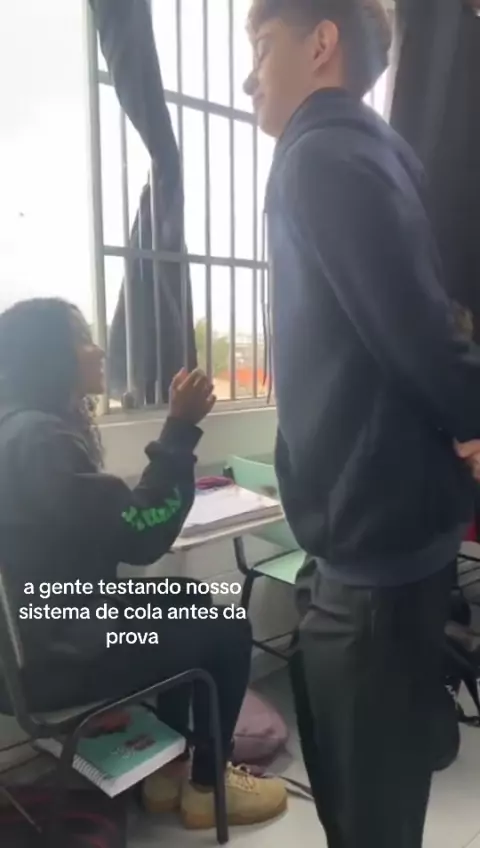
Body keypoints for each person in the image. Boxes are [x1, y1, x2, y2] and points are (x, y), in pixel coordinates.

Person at [244, 1, 480, 846]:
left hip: (374, 553)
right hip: (374, 539)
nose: (248, 76)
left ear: (321, 44)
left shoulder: (327, 154)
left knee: (368, 815)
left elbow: (418, 331)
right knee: (365, 799)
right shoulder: (363, 153)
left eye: (261, 46)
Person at [0, 298, 286, 830]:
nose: (98, 350)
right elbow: (141, 535)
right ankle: (208, 787)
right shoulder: (38, 442)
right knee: (226, 627)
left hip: (46, 628)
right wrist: (179, 428)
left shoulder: (15, 430)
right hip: (60, 655)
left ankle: (167, 774)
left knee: (189, 599)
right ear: (48, 356)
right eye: (82, 338)